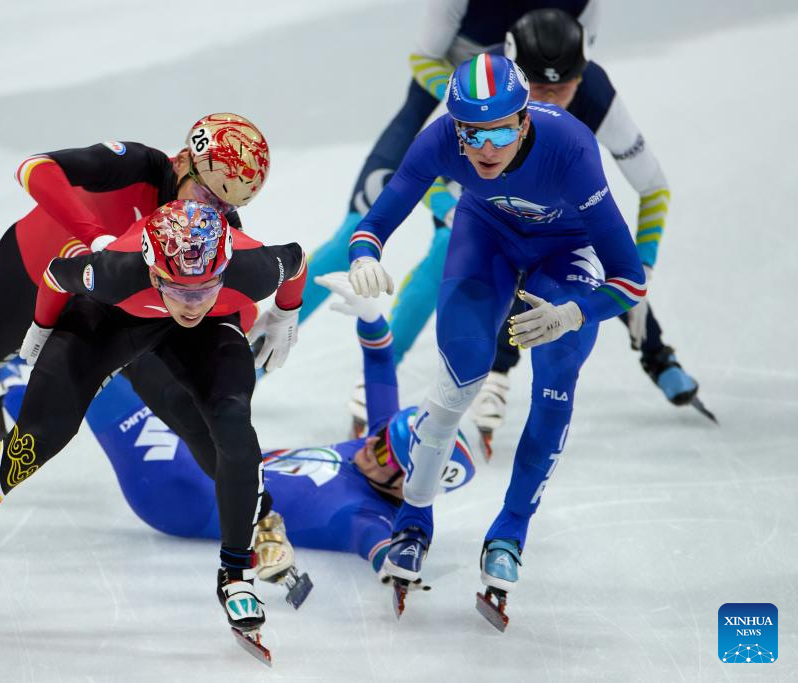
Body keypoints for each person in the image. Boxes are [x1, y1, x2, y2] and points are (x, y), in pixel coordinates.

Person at [0, 199, 305, 655]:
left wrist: (286, 312)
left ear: (224, 269)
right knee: (29, 446)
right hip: (112, 318)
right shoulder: (114, 271)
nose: (192, 303)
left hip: (208, 332)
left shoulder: (250, 267)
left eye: (204, 288)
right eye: (179, 290)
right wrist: (42, 325)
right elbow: (54, 274)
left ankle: (235, 574)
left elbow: (297, 260)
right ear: (153, 272)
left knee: (233, 426)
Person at [347, 54, 645, 625]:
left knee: (556, 372)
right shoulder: (441, 140)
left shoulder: (570, 149)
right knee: (459, 377)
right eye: (472, 134)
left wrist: (575, 314)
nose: (486, 148)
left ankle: (510, 530)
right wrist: (365, 254)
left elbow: (629, 278)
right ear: (455, 129)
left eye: (501, 132)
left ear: (525, 121)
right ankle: (413, 518)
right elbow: (377, 220)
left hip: (568, 251)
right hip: (486, 233)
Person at [0, 114, 271, 480]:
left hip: (108, 314)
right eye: (208, 195)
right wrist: (95, 237)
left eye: (228, 205)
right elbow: (34, 168)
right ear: (182, 161)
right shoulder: (138, 166)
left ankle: (259, 518)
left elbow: (229, 299)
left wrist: (251, 324)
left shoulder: (217, 228)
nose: (214, 211)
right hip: (30, 277)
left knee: (186, 411)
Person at [0, 273, 477, 578]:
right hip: (201, 452)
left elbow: (380, 548)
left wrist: (397, 566)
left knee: (85, 379)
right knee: (110, 356)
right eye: (383, 435)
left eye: (388, 453)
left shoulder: (366, 517)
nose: (372, 444)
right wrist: (373, 321)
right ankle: (3, 361)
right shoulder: (379, 450)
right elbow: (380, 371)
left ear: (408, 486)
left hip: (177, 488)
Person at [299, 1, 598, 433]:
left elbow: (629, 203)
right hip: (447, 115)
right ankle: (249, 354)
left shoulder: (582, 29)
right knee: (351, 236)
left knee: (465, 245)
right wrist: (476, 104)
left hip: (505, 126)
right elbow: (423, 58)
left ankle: (469, 371)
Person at [468, 8, 712, 449]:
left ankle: (656, 353)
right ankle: (497, 372)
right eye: (537, 87)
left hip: (562, 201)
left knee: (598, 262)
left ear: (581, 77)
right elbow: (430, 174)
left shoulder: (595, 94)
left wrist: (643, 268)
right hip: (496, 200)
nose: (550, 100)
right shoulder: (484, 85)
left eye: (563, 88)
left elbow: (653, 186)